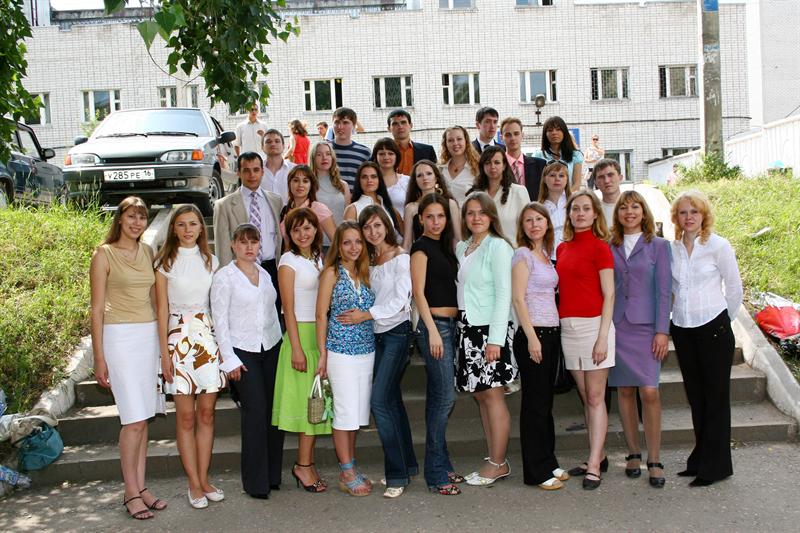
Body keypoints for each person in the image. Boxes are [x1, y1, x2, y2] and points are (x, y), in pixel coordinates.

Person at [90, 196, 164, 520]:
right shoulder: (103, 255)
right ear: (120, 219)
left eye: (142, 218)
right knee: (132, 419)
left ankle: (141, 487)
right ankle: (130, 492)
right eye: (131, 217)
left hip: (147, 338)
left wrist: (162, 344)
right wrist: (99, 357)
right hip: (119, 339)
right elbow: (96, 309)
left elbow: (155, 299)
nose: (137, 223)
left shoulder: (147, 252)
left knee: (144, 418)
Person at [336, 206, 416, 498]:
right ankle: (406, 467)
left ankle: (396, 475)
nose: (372, 232)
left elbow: (400, 301)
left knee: (379, 401)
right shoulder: (366, 261)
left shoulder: (401, 258)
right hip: (375, 337)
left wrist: (365, 315)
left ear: (386, 226)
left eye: (377, 225)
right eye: (367, 227)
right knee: (392, 402)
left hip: (396, 334)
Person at [670, 190, 742, 487]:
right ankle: (700, 459)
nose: (689, 217)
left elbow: (734, 288)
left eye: (694, 212)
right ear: (676, 217)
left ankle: (716, 466)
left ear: (704, 215)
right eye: (683, 212)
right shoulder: (672, 248)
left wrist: (724, 321)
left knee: (716, 399)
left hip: (713, 328)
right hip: (683, 329)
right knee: (697, 398)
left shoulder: (718, 246)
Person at [154, 205, 225, 509]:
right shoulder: (164, 263)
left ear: (200, 228)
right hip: (177, 340)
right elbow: (161, 311)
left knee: (207, 414)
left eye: (193, 224)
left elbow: (218, 306)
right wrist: (164, 355)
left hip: (207, 339)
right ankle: (193, 483)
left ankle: (205, 479)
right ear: (173, 228)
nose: (187, 230)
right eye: (181, 224)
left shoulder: (212, 261)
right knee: (185, 417)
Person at [211, 223, 284, 499]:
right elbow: (219, 320)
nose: (249, 247)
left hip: (271, 347)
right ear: (233, 245)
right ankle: (256, 483)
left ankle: (272, 475)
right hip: (242, 351)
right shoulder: (225, 277)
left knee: (273, 412)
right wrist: (228, 359)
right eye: (243, 242)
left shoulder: (265, 274)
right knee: (255, 412)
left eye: (253, 241)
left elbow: (272, 312)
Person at [607, 191, 672, 489]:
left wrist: (662, 331)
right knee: (624, 391)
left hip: (647, 329)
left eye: (635, 206)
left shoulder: (659, 246)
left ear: (644, 212)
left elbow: (664, 291)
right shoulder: (609, 246)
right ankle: (633, 451)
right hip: (618, 327)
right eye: (624, 207)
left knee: (649, 391)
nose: (629, 211)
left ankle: (654, 458)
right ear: (617, 214)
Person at [456, 192, 516, 487]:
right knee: (481, 395)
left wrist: (495, 340)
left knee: (493, 396)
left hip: (489, 330)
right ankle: (493, 457)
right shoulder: (463, 247)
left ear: (491, 215)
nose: (476, 217)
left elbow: (504, 294)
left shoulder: (498, 246)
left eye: (481, 212)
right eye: (470, 213)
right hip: (468, 329)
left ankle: (498, 462)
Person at [557, 191, 615, 490]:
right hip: (569, 329)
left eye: (585, 209)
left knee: (595, 397)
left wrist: (602, 337)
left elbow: (610, 294)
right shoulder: (562, 248)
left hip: (595, 327)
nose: (580, 213)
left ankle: (594, 464)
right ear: (569, 214)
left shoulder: (601, 248)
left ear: (595, 214)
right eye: (575, 209)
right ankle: (599, 454)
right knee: (585, 395)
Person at [511, 202, 569, 491]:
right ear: (522, 227)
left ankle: (549, 461)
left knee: (545, 404)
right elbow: (518, 298)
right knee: (534, 405)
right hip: (533, 335)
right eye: (528, 220)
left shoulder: (546, 255)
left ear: (547, 223)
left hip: (552, 334)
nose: (534, 224)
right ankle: (535, 471)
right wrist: (532, 337)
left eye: (539, 219)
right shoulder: (522, 254)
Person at [315, 222, 376, 497]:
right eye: (347, 242)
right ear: (338, 246)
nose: (354, 247)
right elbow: (321, 315)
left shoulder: (365, 272)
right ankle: (347, 471)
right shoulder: (331, 273)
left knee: (356, 414)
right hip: (340, 351)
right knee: (344, 413)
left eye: (358, 242)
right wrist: (322, 353)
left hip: (366, 351)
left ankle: (349, 468)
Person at [411, 193, 465, 496]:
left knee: (439, 399)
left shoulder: (446, 247)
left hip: (450, 326)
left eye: (440, 216)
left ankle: (442, 465)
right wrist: (431, 330)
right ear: (420, 219)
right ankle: (435, 473)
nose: (435, 222)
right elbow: (418, 292)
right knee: (445, 399)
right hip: (434, 327)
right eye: (429, 216)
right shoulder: (420, 248)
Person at [272, 208, 330, 493]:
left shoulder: (318, 258)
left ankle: (306, 463)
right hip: (300, 339)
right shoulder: (288, 261)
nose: (303, 234)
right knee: (307, 407)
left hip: (318, 336)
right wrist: (296, 348)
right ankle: (302, 466)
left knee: (316, 406)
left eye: (307, 228)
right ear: (289, 234)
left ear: (316, 229)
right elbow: (288, 309)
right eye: (296, 230)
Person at [467, 146, 530, 243]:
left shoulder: (519, 192)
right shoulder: (474, 195)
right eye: (488, 163)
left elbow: (528, 225)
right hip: (481, 249)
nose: (492, 166)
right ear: (482, 167)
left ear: (504, 165)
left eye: (497, 162)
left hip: (512, 249)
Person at [402, 160, 461, 250]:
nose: (425, 178)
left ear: (436, 177)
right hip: (421, 255)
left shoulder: (450, 204)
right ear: (415, 181)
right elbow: (407, 243)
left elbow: (458, 238)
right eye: (420, 175)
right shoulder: (411, 208)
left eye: (429, 173)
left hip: (448, 255)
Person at [343, 162, 403, 238]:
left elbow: (404, 237)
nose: (369, 180)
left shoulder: (391, 209)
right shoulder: (352, 209)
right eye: (364, 177)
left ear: (379, 180)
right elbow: (348, 238)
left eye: (373, 176)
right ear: (359, 181)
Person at [279, 165, 336, 245]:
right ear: (289, 183)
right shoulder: (285, 210)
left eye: (305, 181)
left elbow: (336, 241)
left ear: (311, 185)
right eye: (296, 180)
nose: (300, 185)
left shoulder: (318, 208)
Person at [309, 141, 351, 233]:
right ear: (313, 158)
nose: (324, 157)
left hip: (340, 238)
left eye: (328, 154)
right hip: (317, 239)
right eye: (319, 154)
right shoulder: (308, 185)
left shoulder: (343, 185)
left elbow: (348, 218)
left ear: (332, 157)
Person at [500, 117, 547, 201]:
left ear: (522, 135)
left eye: (516, 133)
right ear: (501, 138)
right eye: (508, 135)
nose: (513, 138)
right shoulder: (497, 166)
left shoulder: (540, 165)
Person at [534, 116, 584, 191]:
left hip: (569, 197)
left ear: (564, 132)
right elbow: (536, 184)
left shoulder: (575, 155)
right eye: (550, 130)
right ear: (545, 134)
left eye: (558, 129)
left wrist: (564, 197)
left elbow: (576, 184)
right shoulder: (538, 155)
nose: (554, 133)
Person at [330, 107, 371, 190]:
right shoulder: (323, 150)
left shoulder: (364, 152)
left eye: (345, 122)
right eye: (336, 122)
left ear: (354, 126)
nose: (340, 127)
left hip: (355, 197)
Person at [439, 125, 481, 206]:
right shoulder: (440, 169)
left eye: (459, 139)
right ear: (446, 144)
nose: (455, 143)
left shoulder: (477, 168)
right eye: (450, 140)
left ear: (466, 141)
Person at [387, 109, 437, 176]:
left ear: (411, 126)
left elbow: (434, 176)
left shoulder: (427, 151)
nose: (400, 126)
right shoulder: (382, 153)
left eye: (403, 122)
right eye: (395, 124)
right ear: (389, 129)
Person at [538, 161, 572, 260]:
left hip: (572, 254)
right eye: (552, 175)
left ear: (567, 179)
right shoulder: (539, 207)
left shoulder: (574, 203)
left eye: (561, 175)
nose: (557, 179)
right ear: (544, 179)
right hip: (547, 257)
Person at [371, 137, 410, 210]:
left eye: (390, 153)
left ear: (396, 156)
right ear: (375, 156)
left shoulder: (407, 181)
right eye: (381, 154)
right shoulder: (369, 180)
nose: (386, 157)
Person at [261, 129, 296, 204]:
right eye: (268, 142)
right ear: (262, 147)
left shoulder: (294, 169)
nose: (273, 144)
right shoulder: (256, 172)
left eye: (277, 141)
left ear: (283, 146)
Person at [593, 158, 623, 226]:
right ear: (595, 183)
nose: (606, 181)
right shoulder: (592, 210)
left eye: (610, 175)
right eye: (601, 177)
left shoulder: (634, 207)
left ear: (620, 178)